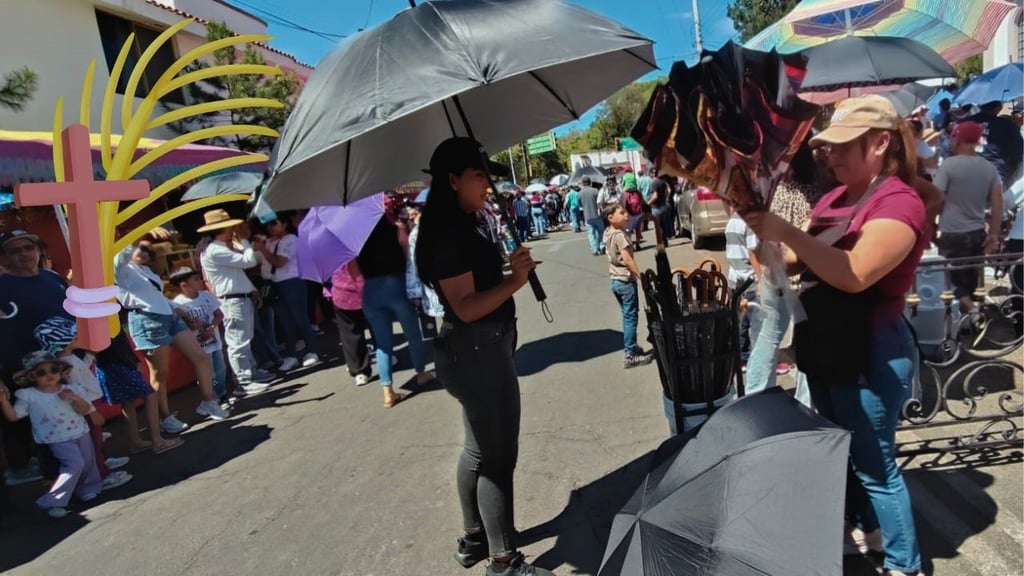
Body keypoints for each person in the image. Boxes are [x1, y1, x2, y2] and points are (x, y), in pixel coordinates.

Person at [742, 95, 927, 576]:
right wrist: (767, 235)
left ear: (881, 143)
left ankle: (904, 565)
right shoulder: (833, 197)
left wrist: (788, 231)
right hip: (826, 344)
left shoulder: (899, 201)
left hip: (870, 352)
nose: (833, 156)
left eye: (845, 146)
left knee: (876, 467)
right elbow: (804, 259)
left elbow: (854, 273)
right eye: (829, 148)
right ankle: (862, 530)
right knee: (841, 451)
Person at [415, 137, 552, 576]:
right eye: (479, 176)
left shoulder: (468, 221)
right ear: (452, 180)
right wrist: (515, 281)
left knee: (478, 450)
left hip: (483, 347)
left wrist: (511, 269)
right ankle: (503, 560)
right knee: (497, 458)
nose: (487, 185)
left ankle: (475, 538)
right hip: (475, 351)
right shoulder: (445, 232)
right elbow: (466, 306)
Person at [114, 230, 230, 429]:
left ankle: (208, 402)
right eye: (141, 248)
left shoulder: (146, 271)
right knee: (160, 373)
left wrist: (182, 313)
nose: (145, 253)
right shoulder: (119, 266)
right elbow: (123, 254)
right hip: (146, 319)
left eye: (149, 251)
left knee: (200, 356)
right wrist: (142, 231)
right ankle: (164, 417)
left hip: (168, 316)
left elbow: (159, 297)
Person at [0, 230, 68, 486]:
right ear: (5, 258)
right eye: (14, 251)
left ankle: (87, 461)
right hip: (22, 370)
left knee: (65, 412)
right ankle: (30, 471)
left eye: (28, 247)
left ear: (38, 250)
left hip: (62, 362)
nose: (24, 254)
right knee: (28, 422)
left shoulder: (53, 277)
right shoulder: (2, 288)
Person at [0, 351, 103, 519]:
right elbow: (14, 416)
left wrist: (75, 399)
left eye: (54, 370)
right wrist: (4, 401)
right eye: (41, 372)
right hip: (56, 438)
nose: (49, 375)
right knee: (75, 464)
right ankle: (52, 500)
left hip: (80, 431)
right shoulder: (28, 395)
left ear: (60, 371)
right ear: (32, 376)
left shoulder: (71, 389)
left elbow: (84, 409)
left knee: (88, 462)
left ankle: (88, 489)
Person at [356, 216, 435, 408]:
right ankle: (421, 374)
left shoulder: (357, 238)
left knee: (383, 343)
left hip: (370, 292)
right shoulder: (395, 230)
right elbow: (410, 256)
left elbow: (354, 271)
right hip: (396, 286)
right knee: (413, 334)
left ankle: (387, 391)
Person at [198, 210, 274, 397]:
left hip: (239, 297)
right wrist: (245, 242)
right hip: (232, 300)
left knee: (244, 339)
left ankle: (251, 373)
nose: (234, 230)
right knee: (238, 341)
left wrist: (252, 290)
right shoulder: (216, 250)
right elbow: (248, 261)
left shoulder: (220, 248)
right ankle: (243, 381)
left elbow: (237, 273)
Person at [933, 120, 1004, 313]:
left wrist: (931, 221)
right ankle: (972, 321)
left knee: (952, 280)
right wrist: (994, 234)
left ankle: (970, 314)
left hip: (952, 231)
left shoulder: (948, 165)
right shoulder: (989, 167)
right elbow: (998, 202)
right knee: (972, 281)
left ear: (957, 139)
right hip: (977, 232)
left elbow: (937, 197)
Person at [256, 216, 321, 370]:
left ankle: (311, 351)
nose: (271, 227)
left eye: (274, 223)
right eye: (268, 225)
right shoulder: (267, 241)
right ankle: (291, 355)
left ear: (284, 223)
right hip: (274, 285)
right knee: (285, 322)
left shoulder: (291, 239)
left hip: (291, 283)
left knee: (300, 318)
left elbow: (280, 262)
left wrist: (262, 249)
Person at [603, 203, 654, 369]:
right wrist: (641, 277)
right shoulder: (619, 235)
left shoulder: (608, 232)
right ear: (610, 218)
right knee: (631, 318)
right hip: (625, 280)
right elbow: (628, 259)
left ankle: (631, 347)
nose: (626, 215)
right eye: (621, 213)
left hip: (615, 280)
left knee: (627, 316)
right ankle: (630, 354)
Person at [170, 268, 229, 406]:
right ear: (184, 285)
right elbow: (180, 326)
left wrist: (212, 327)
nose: (200, 281)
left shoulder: (206, 296)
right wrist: (190, 325)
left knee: (220, 368)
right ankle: (212, 398)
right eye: (195, 279)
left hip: (214, 340)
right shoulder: (178, 304)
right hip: (199, 345)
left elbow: (219, 314)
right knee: (208, 372)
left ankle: (222, 394)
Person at [329, 261, 372, 386]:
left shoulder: (328, 251)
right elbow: (355, 270)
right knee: (375, 326)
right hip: (361, 291)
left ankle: (359, 370)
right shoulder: (351, 249)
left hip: (340, 292)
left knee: (349, 334)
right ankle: (385, 357)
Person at [964, 100, 1024, 187]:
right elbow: (1018, 153)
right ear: (999, 108)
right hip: (995, 179)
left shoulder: (963, 123)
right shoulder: (1008, 126)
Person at [579, 176, 604, 256]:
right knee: (601, 231)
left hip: (587, 215)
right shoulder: (595, 191)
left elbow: (580, 204)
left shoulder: (580, 193)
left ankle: (594, 249)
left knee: (591, 233)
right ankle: (601, 245)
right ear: (590, 182)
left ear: (583, 183)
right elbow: (599, 202)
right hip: (597, 214)